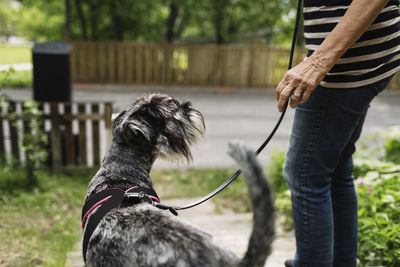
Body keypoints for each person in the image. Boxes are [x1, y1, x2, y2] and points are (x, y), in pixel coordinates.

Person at [275, 0, 400, 266]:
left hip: (347, 64)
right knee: (335, 171)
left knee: (305, 174)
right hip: (355, 57)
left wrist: (320, 59)